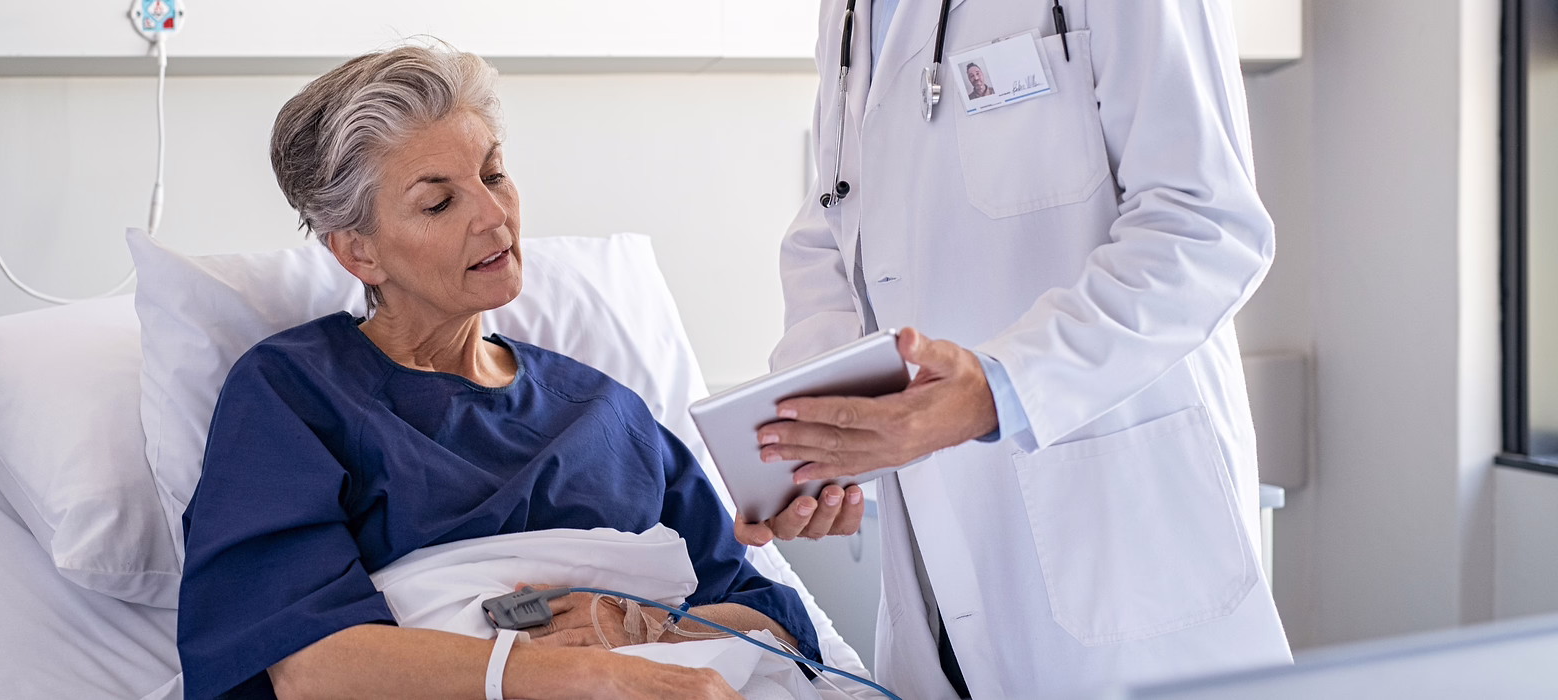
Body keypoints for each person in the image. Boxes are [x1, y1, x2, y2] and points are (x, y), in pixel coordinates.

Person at [175, 45, 819, 700]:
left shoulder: (607, 412)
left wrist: (647, 628)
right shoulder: (295, 393)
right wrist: (584, 674)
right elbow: (308, 665)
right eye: (438, 203)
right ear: (359, 251)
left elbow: (775, 624)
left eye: (494, 175)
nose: (492, 216)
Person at [736, 1, 1296, 698]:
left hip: (1120, 554)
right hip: (938, 595)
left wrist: (1002, 388)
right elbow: (833, 227)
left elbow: (1205, 223)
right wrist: (823, 436)